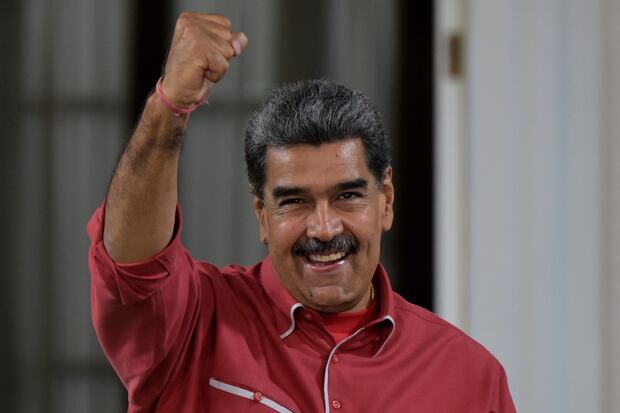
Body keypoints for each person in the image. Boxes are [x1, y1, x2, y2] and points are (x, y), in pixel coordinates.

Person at [87, 12, 516, 413]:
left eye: (348, 196)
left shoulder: (470, 377)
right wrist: (170, 107)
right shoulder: (192, 325)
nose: (324, 229)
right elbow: (133, 267)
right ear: (261, 213)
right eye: (295, 201)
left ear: (385, 200)